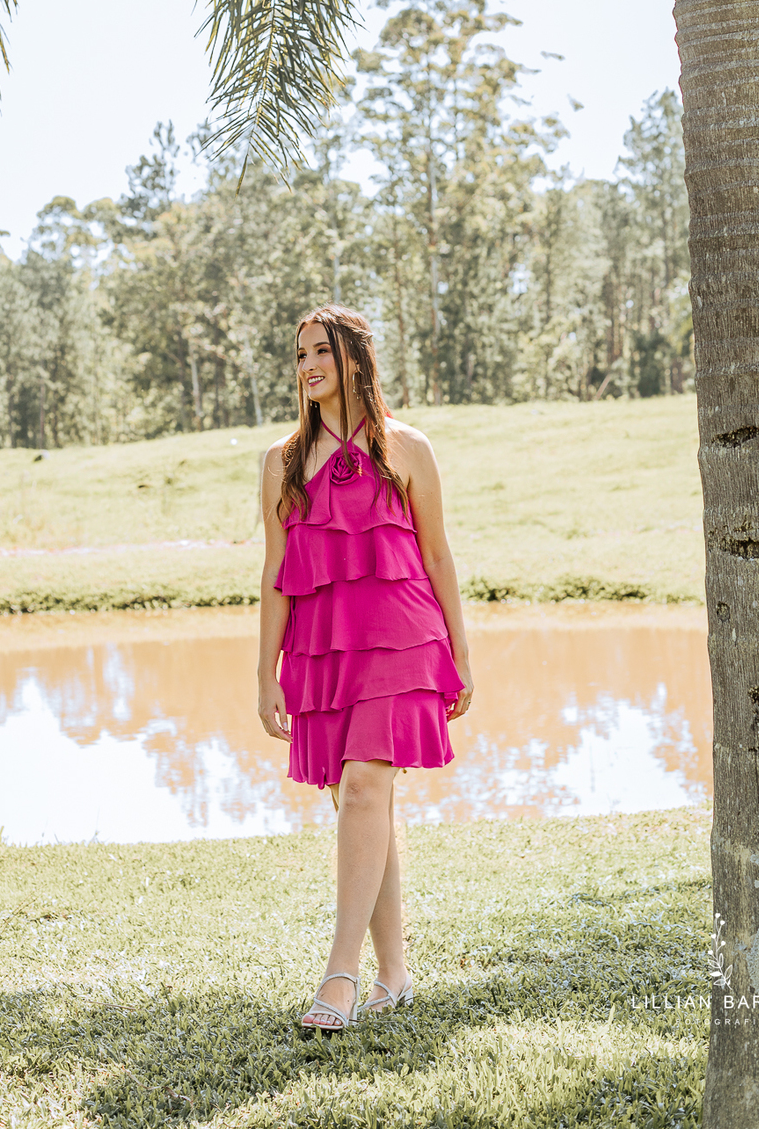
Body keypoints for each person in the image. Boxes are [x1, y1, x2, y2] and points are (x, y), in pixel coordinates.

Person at [257, 305, 474, 1032]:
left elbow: (438, 555)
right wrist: (266, 674)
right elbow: (276, 574)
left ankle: (338, 977)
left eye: (321, 350)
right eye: (299, 355)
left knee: (362, 790)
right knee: (362, 806)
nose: (308, 364)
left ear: (355, 360)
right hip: (323, 649)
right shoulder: (282, 462)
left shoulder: (407, 447)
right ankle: (395, 976)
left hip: (404, 638)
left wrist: (461, 654)